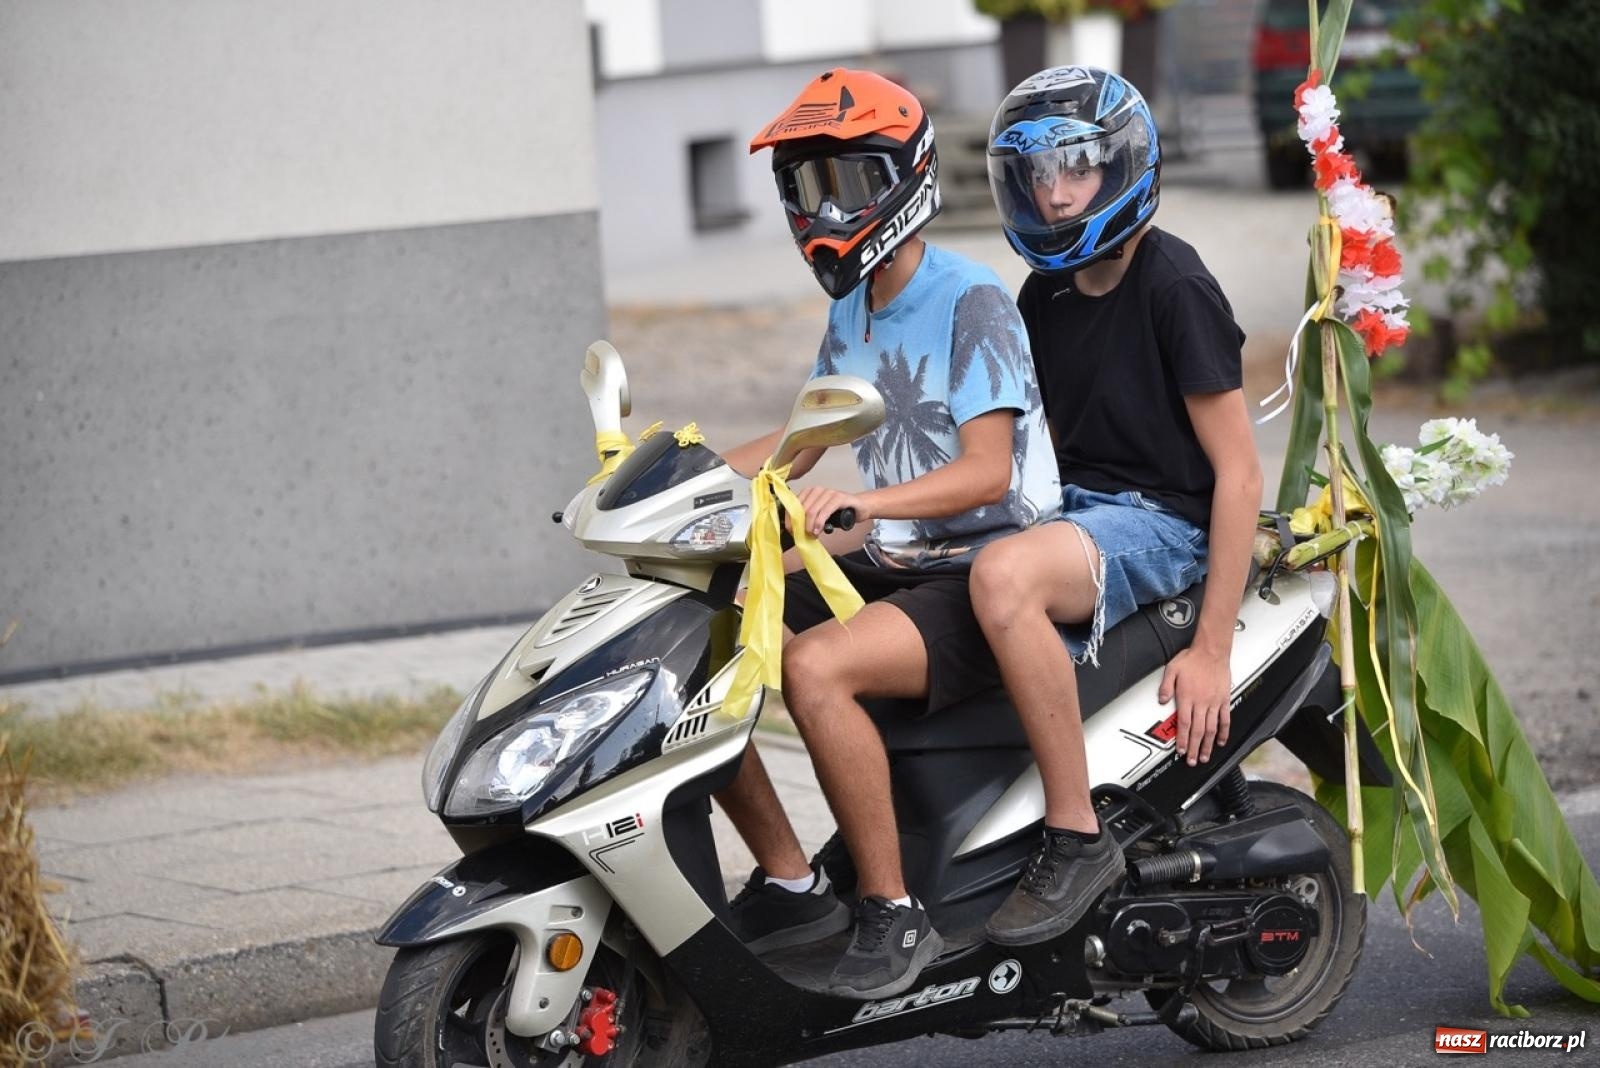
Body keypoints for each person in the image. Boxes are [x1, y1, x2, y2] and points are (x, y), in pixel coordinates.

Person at [711, 67, 1061, 998]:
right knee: (714, 626)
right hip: (901, 551)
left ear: (906, 177)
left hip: (983, 567)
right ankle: (793, 882)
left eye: (851, 184)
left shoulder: (969, 296)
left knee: (816, 666)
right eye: (809, 188)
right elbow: (805, 439)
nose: (828, 211)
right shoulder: (853, 305)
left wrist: (870, 509)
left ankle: (893, 912)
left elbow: (990, 472)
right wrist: (678, 477)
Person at [972, 66, 1263, 946]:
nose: (1056, 197)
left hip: (1165, 522)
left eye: (1078, 170)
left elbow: (1241, 475)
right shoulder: (1043, 294)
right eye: (1037, 176)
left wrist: (1211, 651)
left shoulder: (1173, 285)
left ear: (1127, 163)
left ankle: (1075, 833)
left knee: (1002, 579)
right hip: (1078, 506)